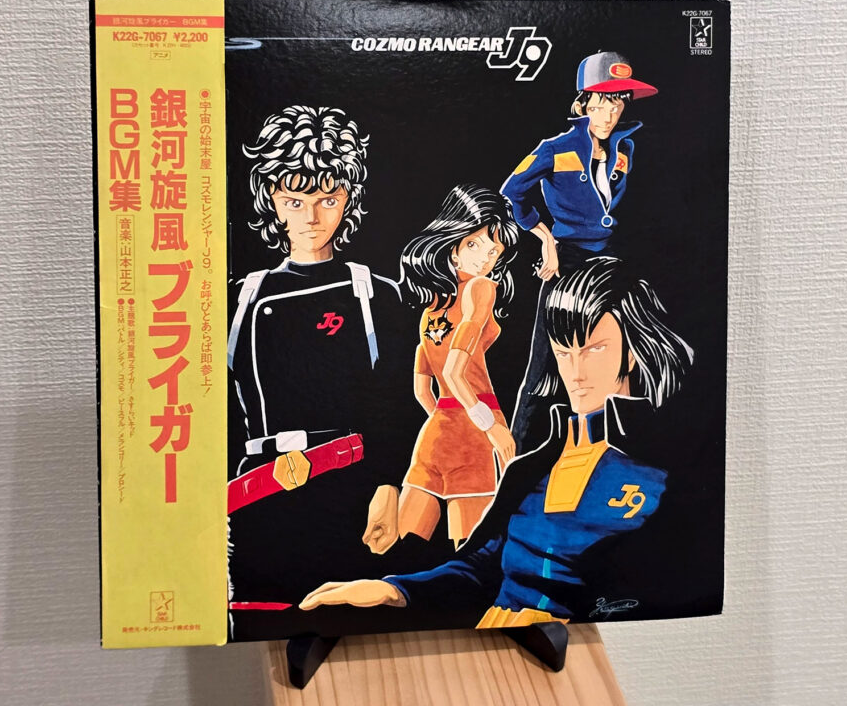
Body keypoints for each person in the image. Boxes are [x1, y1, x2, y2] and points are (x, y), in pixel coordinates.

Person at [300, 257, 693, 628]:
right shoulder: (530, 467)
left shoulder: (662, 471)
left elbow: (657, 587)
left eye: (594, 349)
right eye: (563, 351)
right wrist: (394, 590)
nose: (575, 371)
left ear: (631, 354)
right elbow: (479, 566)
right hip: (492, 638)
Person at [226, 105, 427, 640]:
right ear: (272, 201)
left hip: (350, 486)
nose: (312, 217)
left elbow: (400, 403)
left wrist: (389, 484)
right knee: (268, 618)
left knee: (351, 615)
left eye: (327, 200)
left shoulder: (374, 294)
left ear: (348, 200)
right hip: (259, 491)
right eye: (295, 201)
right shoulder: (241, 298)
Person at [500, 51, 658, 452]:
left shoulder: (625, 149)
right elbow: (512, 191)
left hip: (610, 266)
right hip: (568, 262)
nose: (610, 113)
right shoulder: (556, 148)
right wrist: (546, 238)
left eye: (618, 102)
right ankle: (516, 461)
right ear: (584, 102)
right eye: (601, 102)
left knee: (623, 360)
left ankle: (619, 453)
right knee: (544, 369)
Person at [361, 185, 520, 556]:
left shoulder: (431, 309)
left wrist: (445, 421)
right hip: (476, 429)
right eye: (474, 245)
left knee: (401, 549)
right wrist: (491, 427)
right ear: (453, 244)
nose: (485, 259)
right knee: (473, 554)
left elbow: (422, 388)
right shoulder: (481, 289)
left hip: (435, 433)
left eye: (494, 251)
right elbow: (452, 373)